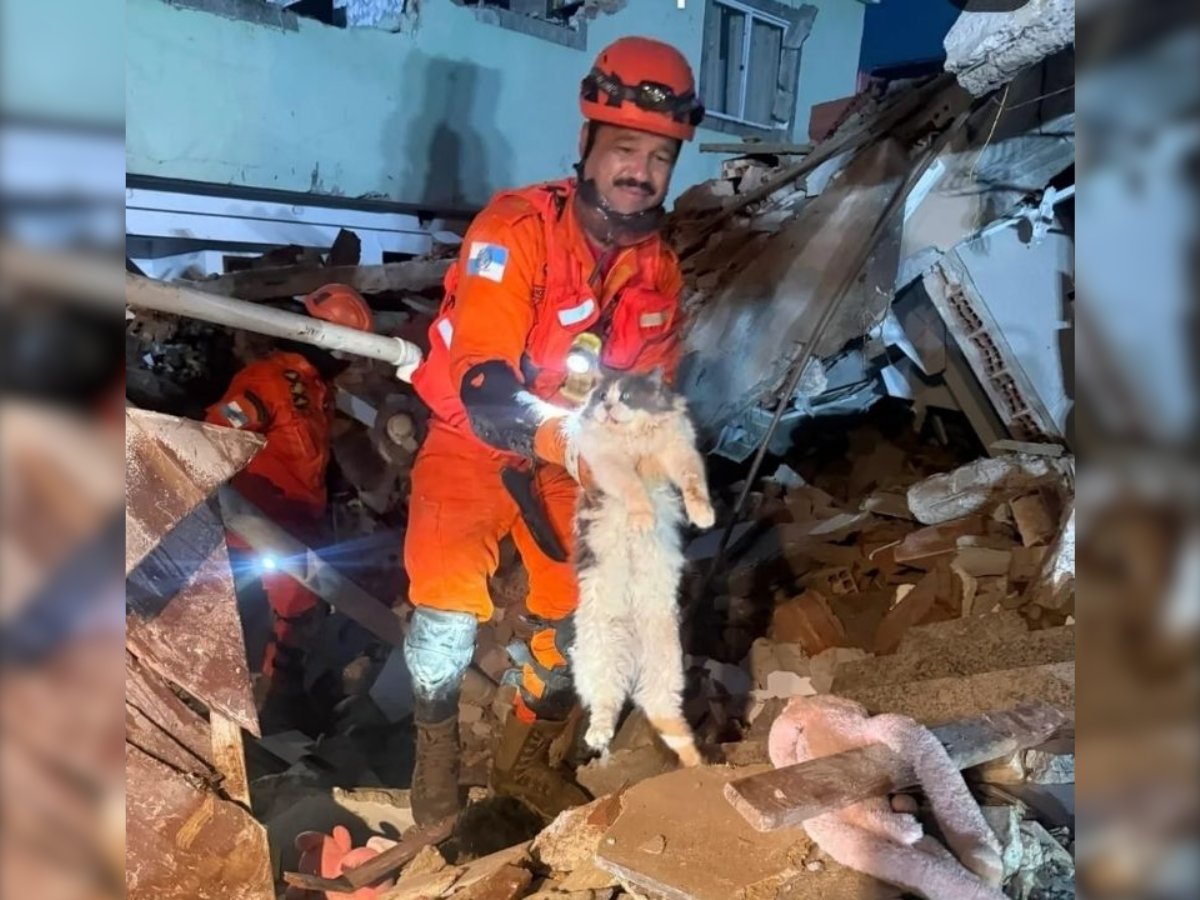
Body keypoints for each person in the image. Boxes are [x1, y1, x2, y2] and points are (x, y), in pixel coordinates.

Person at [404, 36, 705, 823]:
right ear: (586, 142)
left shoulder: (658, 272)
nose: (641, 171)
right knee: (444, 606)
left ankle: (525, 760)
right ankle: (434, 756)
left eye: (661, 157)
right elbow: (485, 386)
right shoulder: (515, 230)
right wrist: (574, 442)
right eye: (625, 148)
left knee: (588, 612)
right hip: (472, 436)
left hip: (570, 457)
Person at [206, 284, 374, 730]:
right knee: (283, 609)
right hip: (256, 524)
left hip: (296, 523)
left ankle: (281, 696)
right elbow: (215, 433)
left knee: (301, 610)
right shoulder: (267, 382)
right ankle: (268, 702)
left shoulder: (318, 389)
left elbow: (313, 454)